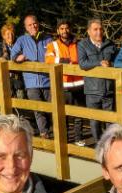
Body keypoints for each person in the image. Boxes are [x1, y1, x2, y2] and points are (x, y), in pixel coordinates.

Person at [11, 15, 54, 138]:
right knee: (38, 109)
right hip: (31, 82)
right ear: (25, 27)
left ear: (38, 24)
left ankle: (53, 130)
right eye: (29, 25)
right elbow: (13, 55)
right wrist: (18, 58)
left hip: (48, 80)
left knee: (51, 108)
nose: (33, 26)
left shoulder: (48, 39)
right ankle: (44, 133)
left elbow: (55, 56)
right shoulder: (21, 40)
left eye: (34, 23)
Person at [45, 18, 86, 146]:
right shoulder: (53, 45)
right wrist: (63, 61)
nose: (64, 31)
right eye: (62, 28)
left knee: (78, 114)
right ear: (58, 30)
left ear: (70, 29)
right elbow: (48, 59)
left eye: (66, 28)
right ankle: (65, 139)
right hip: (63, 85)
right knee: (63, 115)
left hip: (79, 84)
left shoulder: (78, 43)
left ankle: (78, 138)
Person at [78, 18, 116, 143]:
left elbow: (117, 62)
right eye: (95, 29)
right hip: (92, 90)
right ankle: (99, 145)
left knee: (110, 120)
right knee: (95, 121)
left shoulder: (110, 44)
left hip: (108, 89)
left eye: (100, 29)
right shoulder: (83, 45)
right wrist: (99, 63)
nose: (98, 32)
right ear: (88, 31)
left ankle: (110, 146)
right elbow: (82, 63)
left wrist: (111, 64)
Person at [0, 23, 26, 101]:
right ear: (3, 36)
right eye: (7, 34)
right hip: (5, 81)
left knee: (21, 104)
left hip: (18, 80)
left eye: (12, 33)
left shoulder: (20, 45)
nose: (10, 36)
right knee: (7, 104)